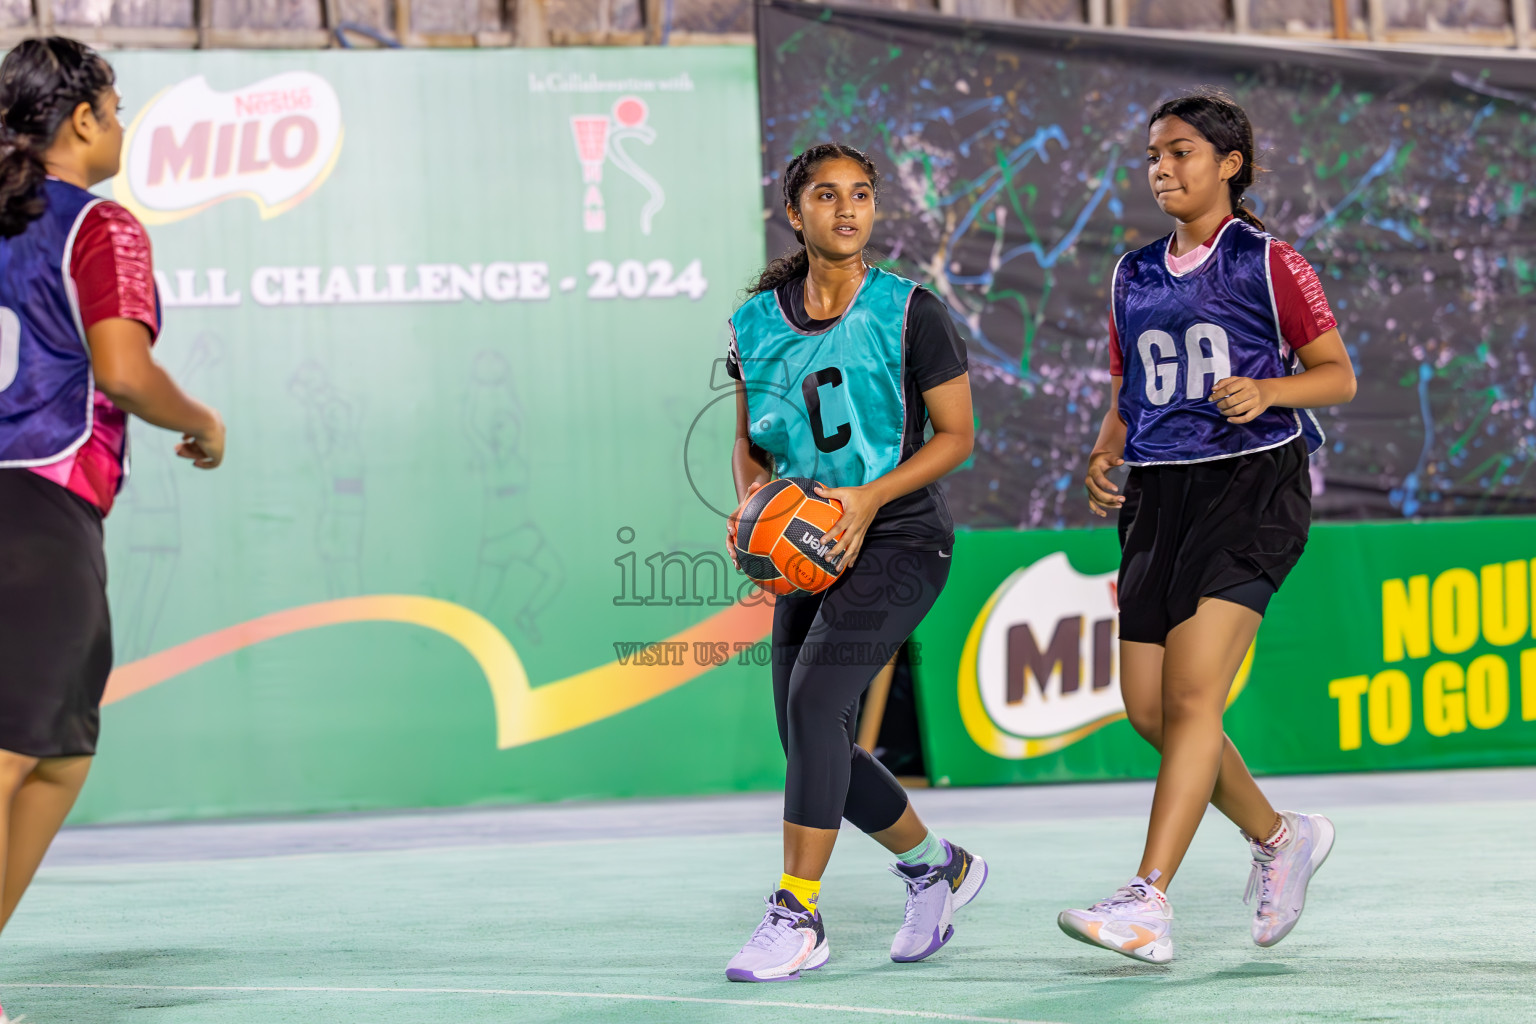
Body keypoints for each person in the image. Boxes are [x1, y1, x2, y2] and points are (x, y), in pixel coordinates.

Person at [1059, 93, 1356, 964]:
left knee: (1194, 697)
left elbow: (1335, 376)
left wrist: (1270, 390)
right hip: (1158, 492)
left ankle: (1147, 899)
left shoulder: (1268, 262)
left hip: (1251, 486)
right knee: (1148, 709)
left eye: (1182, 152)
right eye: (1154, 154)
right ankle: (1278, 837)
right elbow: (1130, 387)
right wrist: (1107, 450)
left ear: (1230, 163)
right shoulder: (1132, 273)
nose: (1163, 168)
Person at [0, 38, 226, 1018]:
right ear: (82, 118)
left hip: (36, 513)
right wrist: (205, 422)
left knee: (57, 751)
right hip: (36, 503)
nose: (126, 127)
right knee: (16, 748)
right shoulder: (98, 224)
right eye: (119, 107)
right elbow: (124, 372)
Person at [722, 143, 983, 982]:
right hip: (809, 547)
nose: (847, 209)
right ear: (793, 213)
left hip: (900, 537)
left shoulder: (911, 311)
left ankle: (797, 912)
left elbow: (957, 437)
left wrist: (866, 499)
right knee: (806, 732)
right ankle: (934, 865)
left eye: (861, 195)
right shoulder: (755, 323)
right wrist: (755, 511)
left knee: (815, 704)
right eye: (826, 196)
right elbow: (749, 445)